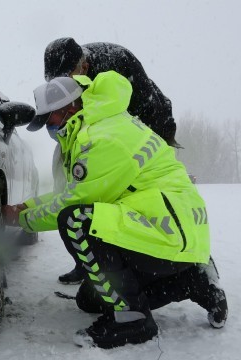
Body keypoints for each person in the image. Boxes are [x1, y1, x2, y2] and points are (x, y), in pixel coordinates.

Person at [3, 72, 227, 348]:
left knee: (76, 221)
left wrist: (22, 218)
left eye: (50, 120)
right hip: (169, 232)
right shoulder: (104, 122)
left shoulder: (101, 138)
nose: (50, 128)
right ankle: (191, 282)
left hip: (165, 230)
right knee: (89, 299)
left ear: (68, 109)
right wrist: (28, 206)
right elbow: (74, 192)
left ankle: (133, 321)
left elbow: (72, 203)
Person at [44, 37, 180, 285]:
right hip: (109, 133)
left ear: (82, 67)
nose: (64, 86)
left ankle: (189, 268)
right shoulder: (72, 74)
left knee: (139, 203)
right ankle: (86, 263)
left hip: (151, 124)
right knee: (77, 190)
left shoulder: (114, 66)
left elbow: (126, 123)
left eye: (67, 79)